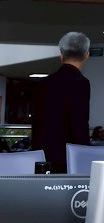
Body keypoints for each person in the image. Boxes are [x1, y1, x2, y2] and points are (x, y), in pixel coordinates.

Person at [31, 32, 91, 173]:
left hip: (42, 154)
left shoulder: (44, 83)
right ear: (86, 55)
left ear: (61, 55)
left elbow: (37, 121)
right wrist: (85, 154)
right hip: (69, 156)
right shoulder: (81, 83)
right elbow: (79, 123)